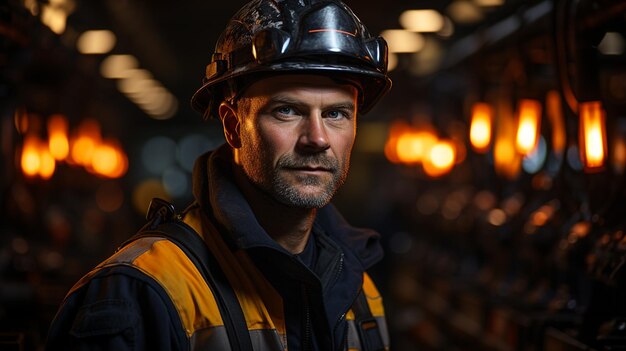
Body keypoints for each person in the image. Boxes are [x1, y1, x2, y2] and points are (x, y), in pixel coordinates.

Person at [46, 0, 392, 350]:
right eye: (287, 110)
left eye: (336, 114)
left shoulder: (361, 290)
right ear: (232, 126)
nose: (317, 139)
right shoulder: (141, 291)